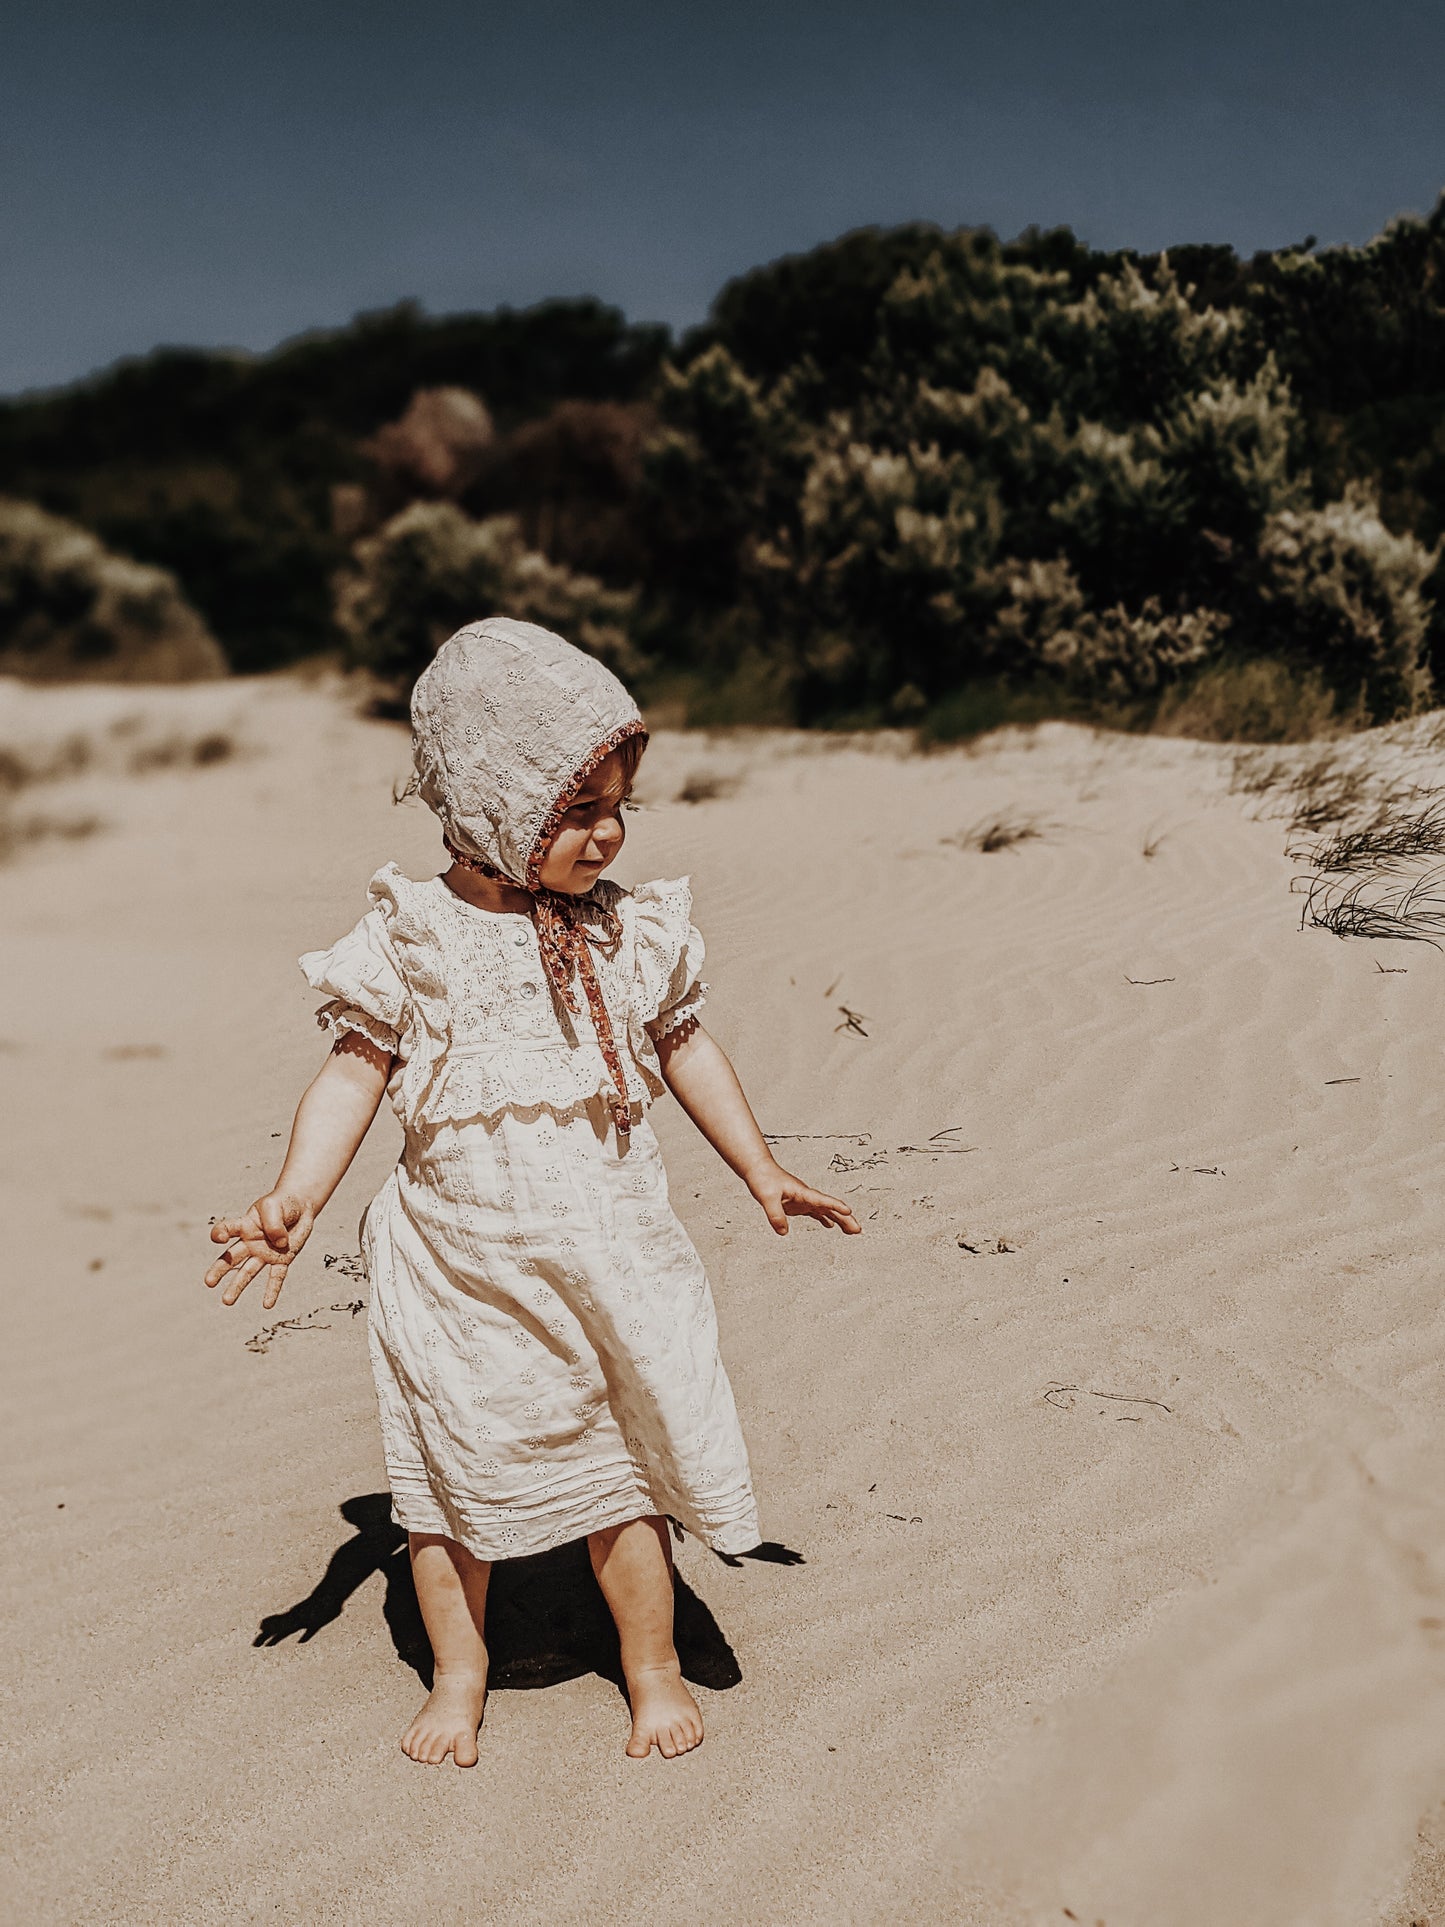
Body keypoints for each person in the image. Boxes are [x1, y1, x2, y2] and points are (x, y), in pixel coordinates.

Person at [204, 616, 861, 1767]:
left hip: (606, 1255)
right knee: (450, 1486)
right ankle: (459, 1674)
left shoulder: (626, 931)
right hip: (461, 1270)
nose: (607, 832)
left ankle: (649, 1665)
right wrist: (294, 1195)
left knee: (622, 1473)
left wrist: (759, 1165)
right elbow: (352, 1074)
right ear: (492, 804)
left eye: (620, 805)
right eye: (577, 807)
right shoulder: (416, 938)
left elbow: (684, 1046)